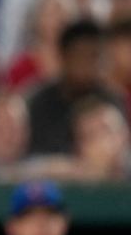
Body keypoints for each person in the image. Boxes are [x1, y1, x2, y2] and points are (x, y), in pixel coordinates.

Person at [26, 19, 123, 156]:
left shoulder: (112, 101)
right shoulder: (38, 103)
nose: (87, 65)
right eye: (80, 56)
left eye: (94, 57)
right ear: (63, 57)